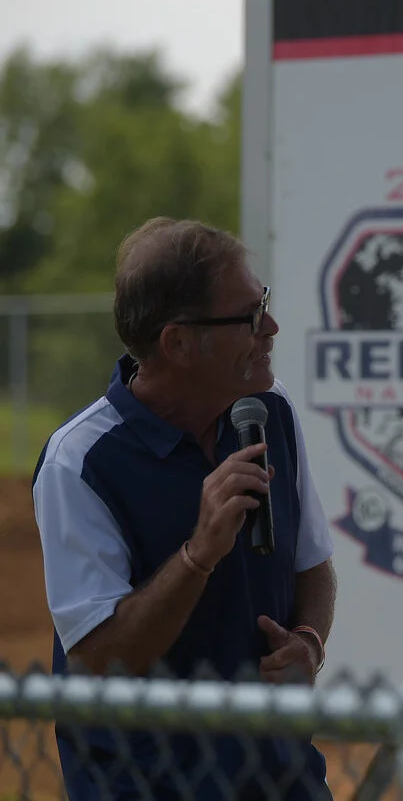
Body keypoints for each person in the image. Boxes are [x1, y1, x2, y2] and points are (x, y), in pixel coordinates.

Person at [31, 217, 337, 800]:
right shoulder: (80, 461)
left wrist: (307, 641)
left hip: (280, 778)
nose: (271, 327)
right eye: (250, 315)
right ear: (177, 343)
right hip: (148, 786)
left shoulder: (269, 410)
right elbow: (97, 662)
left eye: (265, 302)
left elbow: (312, 566)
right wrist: (198, 555)